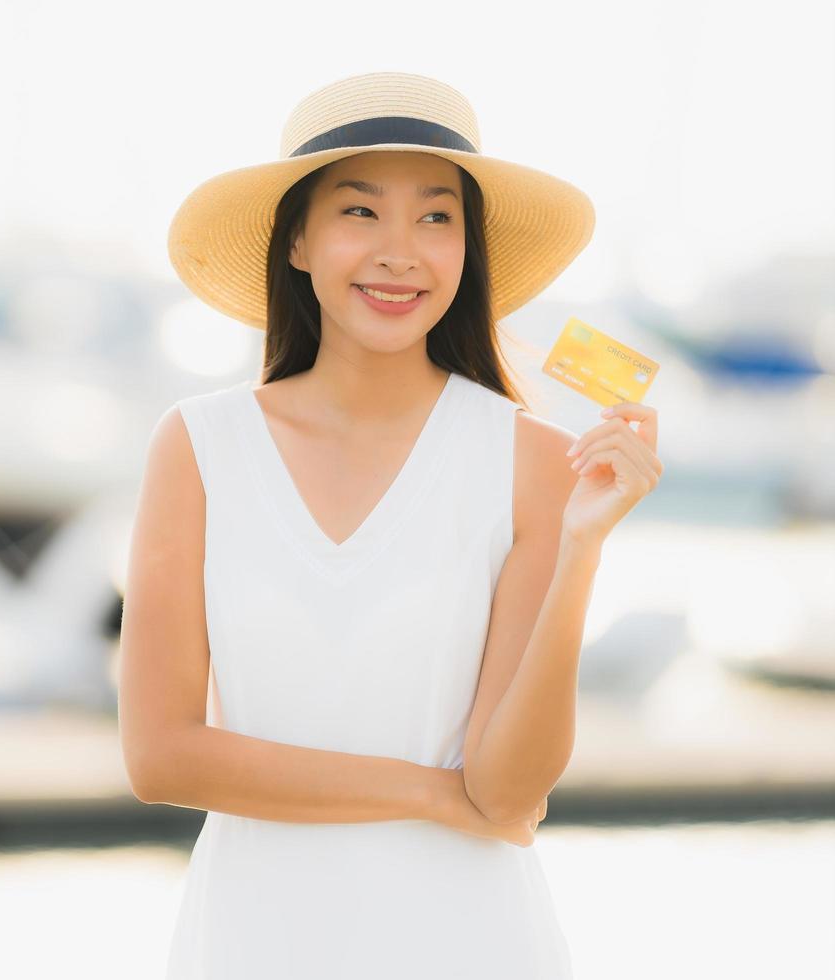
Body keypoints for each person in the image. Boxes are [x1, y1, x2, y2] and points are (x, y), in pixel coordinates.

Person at [117, 71, 664, 978]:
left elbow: (508, 793)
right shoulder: (200, 446)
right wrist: (425, 793)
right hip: (254, 944)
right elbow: (160, 756)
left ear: (469, 248)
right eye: (361, 212)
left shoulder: (533, 461)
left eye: (437, 217)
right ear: (296, 239)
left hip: (473, 944)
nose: (401, 251)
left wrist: (581, 545)